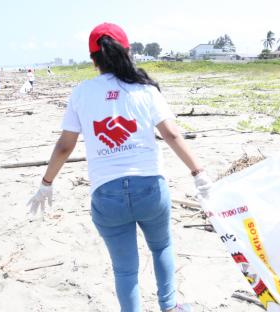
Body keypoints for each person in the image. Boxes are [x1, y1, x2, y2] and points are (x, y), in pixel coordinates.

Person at [27, 22, 212, 312]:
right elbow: (172, 134)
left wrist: (46, 184)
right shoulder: (145, 91)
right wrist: (199, 174)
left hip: (107, 195)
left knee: (125, 270)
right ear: (127, 53)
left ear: (93, 60)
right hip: (150, 189)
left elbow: (65, 145)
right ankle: (170, 307)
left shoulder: (82, 93)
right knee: (161, 247)